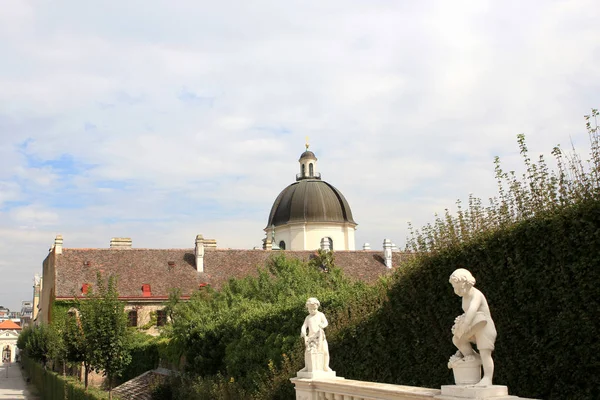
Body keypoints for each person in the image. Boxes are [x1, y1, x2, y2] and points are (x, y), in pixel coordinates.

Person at [449, 268, 497, 387]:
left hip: (485, 326)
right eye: (455, 288)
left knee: (485, 353)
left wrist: (465, 324)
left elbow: (472, 310)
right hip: (474, 325)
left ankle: (487, 378)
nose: (457, 291)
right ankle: (473, 357)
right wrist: (458, 325)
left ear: (467, 284)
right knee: (457, 340)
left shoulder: (477, 295)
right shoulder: (465, 296)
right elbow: (467, 314)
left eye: (460, 288)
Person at [299, 297, 331, 372]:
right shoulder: (308, 317)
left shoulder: (320, 315)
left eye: (314, 309)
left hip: (320, 337)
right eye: (310, 309)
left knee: (325, 351)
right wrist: (303, 331)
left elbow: (326, 322)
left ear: (317, 307)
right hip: (310, 338)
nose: (312, 311)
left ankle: (326, 366)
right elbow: (304, 326)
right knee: (307, 353)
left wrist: (322, 325)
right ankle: (307, 367)